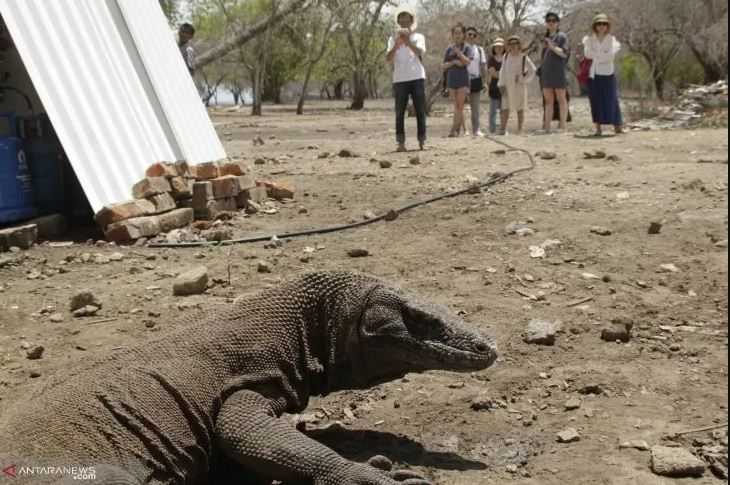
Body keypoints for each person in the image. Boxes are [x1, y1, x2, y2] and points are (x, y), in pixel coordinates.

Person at [386, 7, 428, 152]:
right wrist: (397, 44)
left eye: (407, 18)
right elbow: (388, 59)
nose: (404, 20)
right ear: (398, 21)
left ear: (411, 20)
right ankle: (400, 142)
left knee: (420, 110)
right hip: (399, 79)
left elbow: (420, 52)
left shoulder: (419, 37)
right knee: (399, 111)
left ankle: (422, 140)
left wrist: (408, 41)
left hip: (417, 77)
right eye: (401, 18)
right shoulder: (392, 39)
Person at [583, 13, 624, 136]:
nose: (601, 26)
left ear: (607, 26)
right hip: (594, 73)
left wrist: (598, 56)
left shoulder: (612, 39)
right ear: (594, 26)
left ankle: (617, 126)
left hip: (608, 73)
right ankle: (598, 128)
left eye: (604, 24)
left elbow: (610, 55)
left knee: (612, 99)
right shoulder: (589, 39)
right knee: (596, 100)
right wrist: (600, 56)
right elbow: (587, 54)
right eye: (599, 24)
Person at [498, 35, 536, 136]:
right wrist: (501, 85)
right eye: (511, 44)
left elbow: (532, 70)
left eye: (515, 43)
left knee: (520, 108)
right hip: (507, 85)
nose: (513, 46)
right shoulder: (506, 56)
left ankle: (520, 130)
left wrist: (523, 80)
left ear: (519, 45)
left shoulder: (523, 57)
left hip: (519, 86)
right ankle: (503, 129)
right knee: (505, 107)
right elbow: (502, 72)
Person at [540, 12, 570, 133]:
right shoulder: (545, 38)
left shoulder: (562, 36)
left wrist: (552, 47)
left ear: (557, 23)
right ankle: (547, 127)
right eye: (549, 21)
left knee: (561, 99)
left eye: (554, 21)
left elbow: (564, 53)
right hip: (546, 73)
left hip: (558, 72)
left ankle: (562, 126)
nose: (551, 23)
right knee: (548, 101)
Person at [442, 23, 473, 138]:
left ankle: (453, 129)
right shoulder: (449, 49)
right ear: (452, 35)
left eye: (460, 33)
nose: (457, 35)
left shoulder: (467, 48)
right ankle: (460, 130)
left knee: (460, 106)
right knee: (456, 106)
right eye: (455, 33)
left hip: (463, 79)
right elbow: (443, 65)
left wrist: (459, 54)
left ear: (463, 34)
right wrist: (453, 63)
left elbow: (467, 62)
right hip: (451, 79)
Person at [466, 27, 488, 137]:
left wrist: (484, 82)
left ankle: (476, 129)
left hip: (476, 79)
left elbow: (483, 66)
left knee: (475, 107)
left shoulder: (480, 50)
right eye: (469, 34)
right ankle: (463, 130)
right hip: (463, 80)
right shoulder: (462, 48)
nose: (471, 37)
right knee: (460, 106)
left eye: (473, 35)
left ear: (476, 37)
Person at [487, 38, 506, 135]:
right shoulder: (491, 59)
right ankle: (492, 129)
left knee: (503, 109)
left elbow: (509, 72)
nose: (498, 48)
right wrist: (502, 73)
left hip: (505, 87)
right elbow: (492, 73)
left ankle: (503, 129)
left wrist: (500, 73)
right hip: (494, 86)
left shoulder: (507, 58)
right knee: (493, 110)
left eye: (500, 47)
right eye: (497, 47)